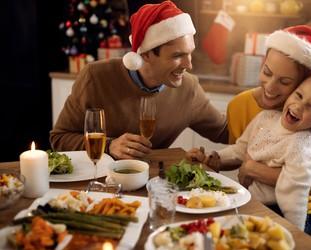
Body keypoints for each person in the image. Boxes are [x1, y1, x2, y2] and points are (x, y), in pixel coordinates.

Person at [49, 1, 228, 160]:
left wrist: (255, 96)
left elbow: (226, 132)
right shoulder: (95, 77)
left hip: (154, 186)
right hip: (101, 186)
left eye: (190, 53)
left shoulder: (190, 89)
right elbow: (59, 139)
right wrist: (109, 145)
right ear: (146, 54)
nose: (188, 65)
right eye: (177, 55)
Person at [188, 69, 311, 231]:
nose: (299, 106)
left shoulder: (302, 145)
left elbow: (296, 197)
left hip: (281, 213)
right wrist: (209, 157)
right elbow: (239, 151)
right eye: (299, 95)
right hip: (252, 204)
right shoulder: (265, 118)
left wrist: (296, 233)